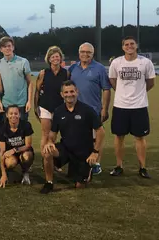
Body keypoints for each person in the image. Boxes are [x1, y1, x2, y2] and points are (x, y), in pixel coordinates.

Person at [40, 81, 105, 194]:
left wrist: (95, 152)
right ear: (62, 94)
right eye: (66, 92)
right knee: (47, 152)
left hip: (83, 153)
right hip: (66, 149)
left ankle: (86, 171)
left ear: (77, 92)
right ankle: (49, 183)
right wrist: (50, 142)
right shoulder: (58, 111)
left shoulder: (87, 110)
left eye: (72, 91)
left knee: (79, 186)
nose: (69, 94)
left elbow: (100, 131)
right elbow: (53, 132)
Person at [108, 36, 156, 178]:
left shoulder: (145, 62)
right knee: (119, 136)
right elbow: (112, 80)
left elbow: (151, 82)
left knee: (140, 137)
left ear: (136, 45)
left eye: (132, 44)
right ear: (123, 47)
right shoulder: (116, 62)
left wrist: (139, 92)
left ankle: (142, 167)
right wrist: (123, 93)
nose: (129, 46)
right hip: (120, 106)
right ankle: (118, 166)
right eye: (126, 44)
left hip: (139, 106)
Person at [68, 42, 111, 175]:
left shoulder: (99, 68)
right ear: (79, 53)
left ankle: (96, 163)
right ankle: (77, 161)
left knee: (96, 137)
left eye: (89, 52)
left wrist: (104, 108)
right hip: (75, 110)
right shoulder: (73, 68)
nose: (85, 54)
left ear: (93, 54)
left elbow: (106, 89)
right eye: (83, 52)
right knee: (77, 137)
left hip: (93, 109)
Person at [34, 46, 68, 165]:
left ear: (60, 58)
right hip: (45, 107)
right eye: (52, 57)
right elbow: (37, 91)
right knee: (45, 134)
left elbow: (67, 90)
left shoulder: (66, 73)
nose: (55, 59)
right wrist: (35, 107)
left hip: (59, 108)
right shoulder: (43, 73)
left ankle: (52, 159)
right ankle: (46, 161)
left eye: (57, 56)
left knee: (54, 135)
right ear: (49, 59)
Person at [0, 36, 33, 120]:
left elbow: (30, 83)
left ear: (13, 47)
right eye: (4, 46)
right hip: (5, 105)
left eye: (9, 46)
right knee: (6, 132)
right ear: (1, 49)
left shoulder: (23, 61)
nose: (7, 48)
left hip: (21, 104)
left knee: (21, 132)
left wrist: (29, 101)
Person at [0, 105, 34, 188]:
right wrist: (3, 174)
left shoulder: (26, 125)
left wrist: (14, 149)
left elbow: (28, 145)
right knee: (10, 163)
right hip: (11, 155)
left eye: (16, 113)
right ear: (6, 115)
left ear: (19, 115)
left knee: (27, 156)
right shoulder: (2, 129)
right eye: (11, 113)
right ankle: (10, 171)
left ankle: (25, 172)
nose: (13, 115)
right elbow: (2, 152)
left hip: (24, 151)